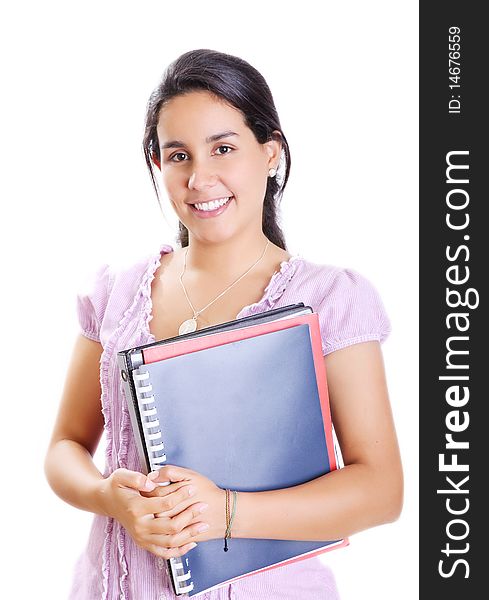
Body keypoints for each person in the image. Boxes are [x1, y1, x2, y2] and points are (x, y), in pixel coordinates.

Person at [44, 48, 403, 600]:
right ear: (157, 166)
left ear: (271, 154)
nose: (200, 177)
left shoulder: (328, 299)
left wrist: (227, 513)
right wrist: (109, 497)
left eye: (224, 148)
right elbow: (65, 445)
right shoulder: (117, 291)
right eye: (178, 155)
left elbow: (381, 490)